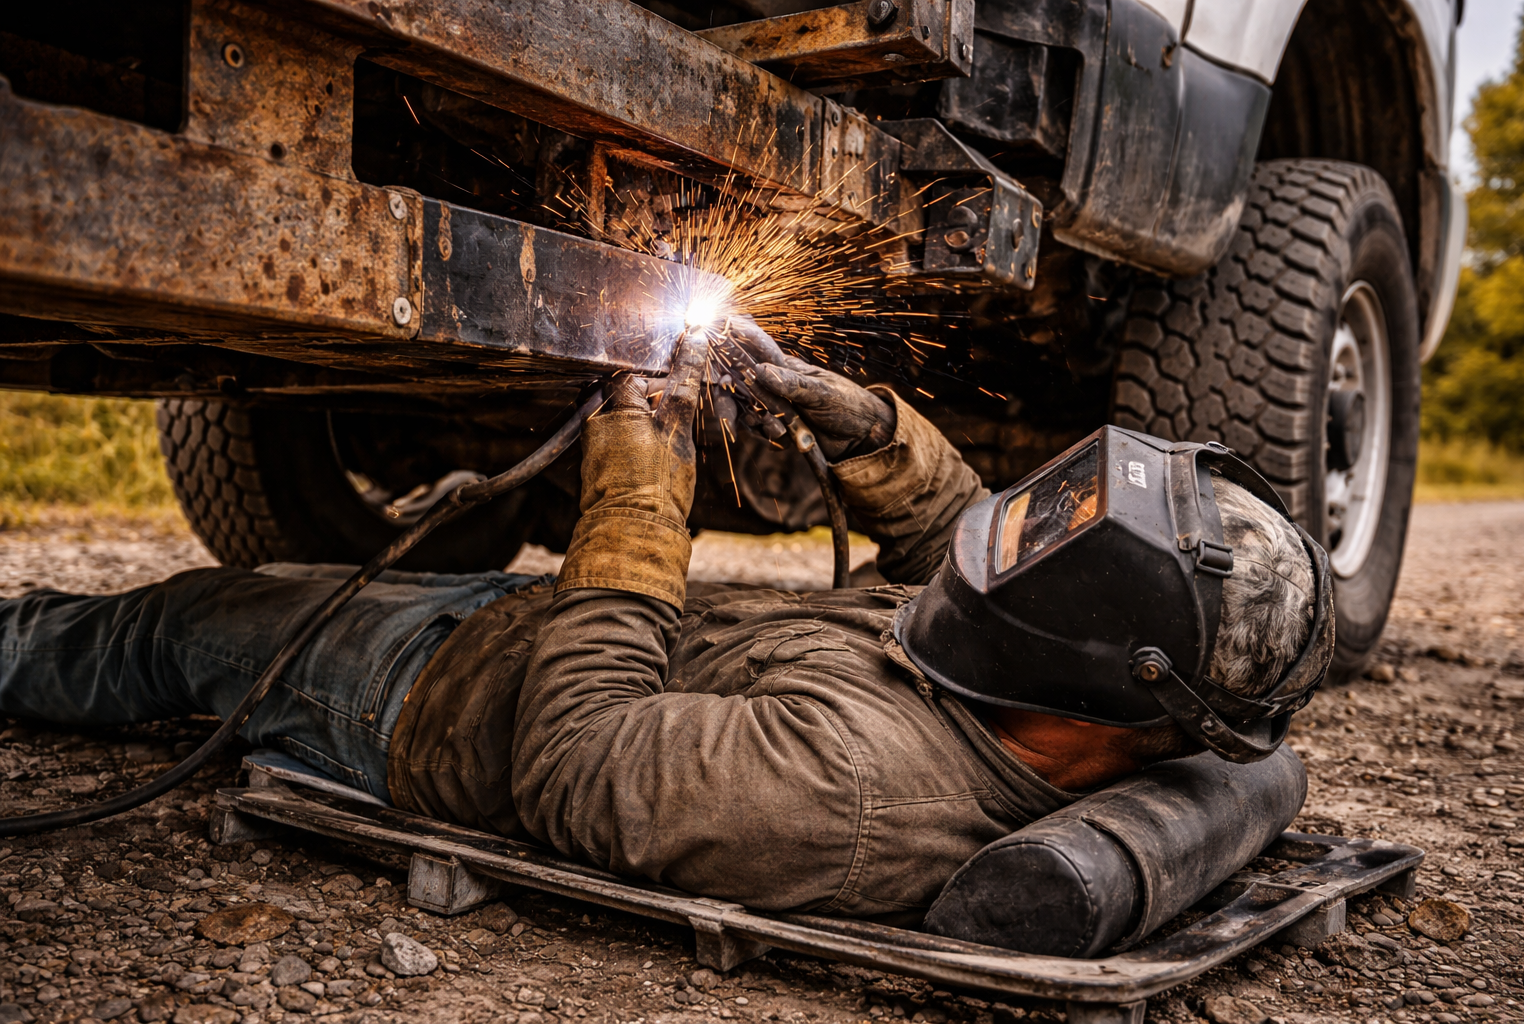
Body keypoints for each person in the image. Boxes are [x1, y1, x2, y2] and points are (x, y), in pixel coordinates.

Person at [0, 321, 1329, 919]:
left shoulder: (857, 797)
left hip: (428, 703)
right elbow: (973, 535)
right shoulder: (1057, 686)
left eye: (1026, 575)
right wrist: (863, 425)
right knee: (227, 599)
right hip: (548, 613)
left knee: (175, 625)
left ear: (1103, 687)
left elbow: (574, 761)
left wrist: (641, 497)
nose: (988, 560)